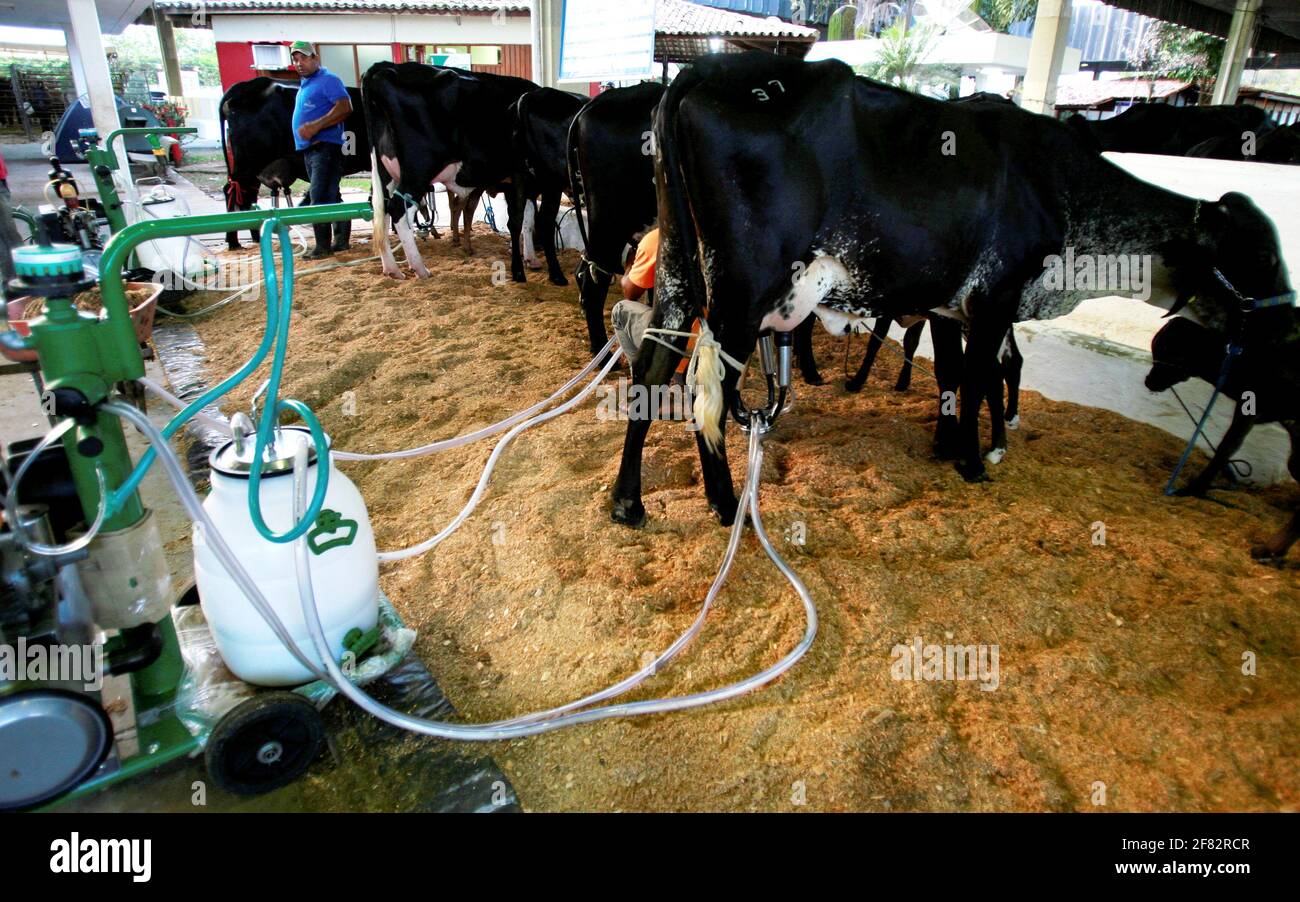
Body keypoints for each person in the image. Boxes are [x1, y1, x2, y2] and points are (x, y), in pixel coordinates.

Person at [289, 40, 353, 259]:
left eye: (304, 58)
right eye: (296, 59)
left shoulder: (328, 80)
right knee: (331, 195)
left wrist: (316, 125)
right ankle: (342, 240)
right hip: (311, 149)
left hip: (325, 148)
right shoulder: (306, 84)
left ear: (316, 58)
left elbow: (345, 107)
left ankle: (323, 247)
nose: (300, 63)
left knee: (319, 198)